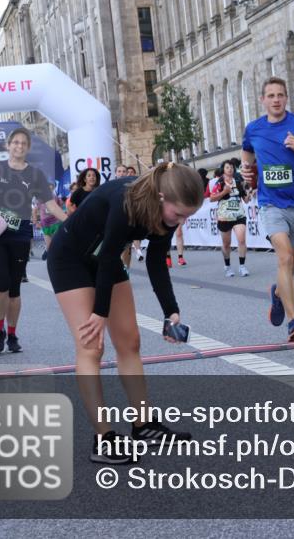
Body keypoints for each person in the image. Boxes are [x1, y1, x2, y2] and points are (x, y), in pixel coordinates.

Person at [47, 162, 200, 463]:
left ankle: (143, 426)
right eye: (178, 214)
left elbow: (156, 262)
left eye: (187, 216)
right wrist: (99, 312)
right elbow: (107, 257)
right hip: (70, 259)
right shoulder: (126, 200)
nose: (180, 221)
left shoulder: (165, 216)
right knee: (92, 346)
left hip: (103, 257)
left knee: (130, 342)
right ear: (160, 197)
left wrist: (171, 312)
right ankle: (103, 439)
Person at [241, 76, 294, 342]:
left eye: (280, 95)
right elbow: (247, 152)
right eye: (271, 95)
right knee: (284, 258)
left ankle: (278, 293)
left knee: (290, 266)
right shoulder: (253, 128)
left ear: (286, 98)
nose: (276, 100)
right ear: (263, 100)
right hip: (271, 203)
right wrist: (247, 171)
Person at [0, 127, 67, 354]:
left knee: (15, 289)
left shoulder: (35, 174)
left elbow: (50, 205)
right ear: (8, 145)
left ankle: (12, 334)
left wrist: (70, 221)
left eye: (23, 143)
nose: (19, 146)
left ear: (27, 148)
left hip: (20, 235)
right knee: (2, 284)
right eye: (15, 142)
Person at [208, 159, 250, 278]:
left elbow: (246, 200)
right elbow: (212, 198)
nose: (230, 169)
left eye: (231, 167)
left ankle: (242, 266)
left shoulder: (238, 180)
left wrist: (249, 194)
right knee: (227, 244)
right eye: (227, 167)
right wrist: (224, 192)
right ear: (223, 169)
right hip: (224, 217)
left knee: (241, 240)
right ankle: (227, 266)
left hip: (238, 215)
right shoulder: (219, 182)